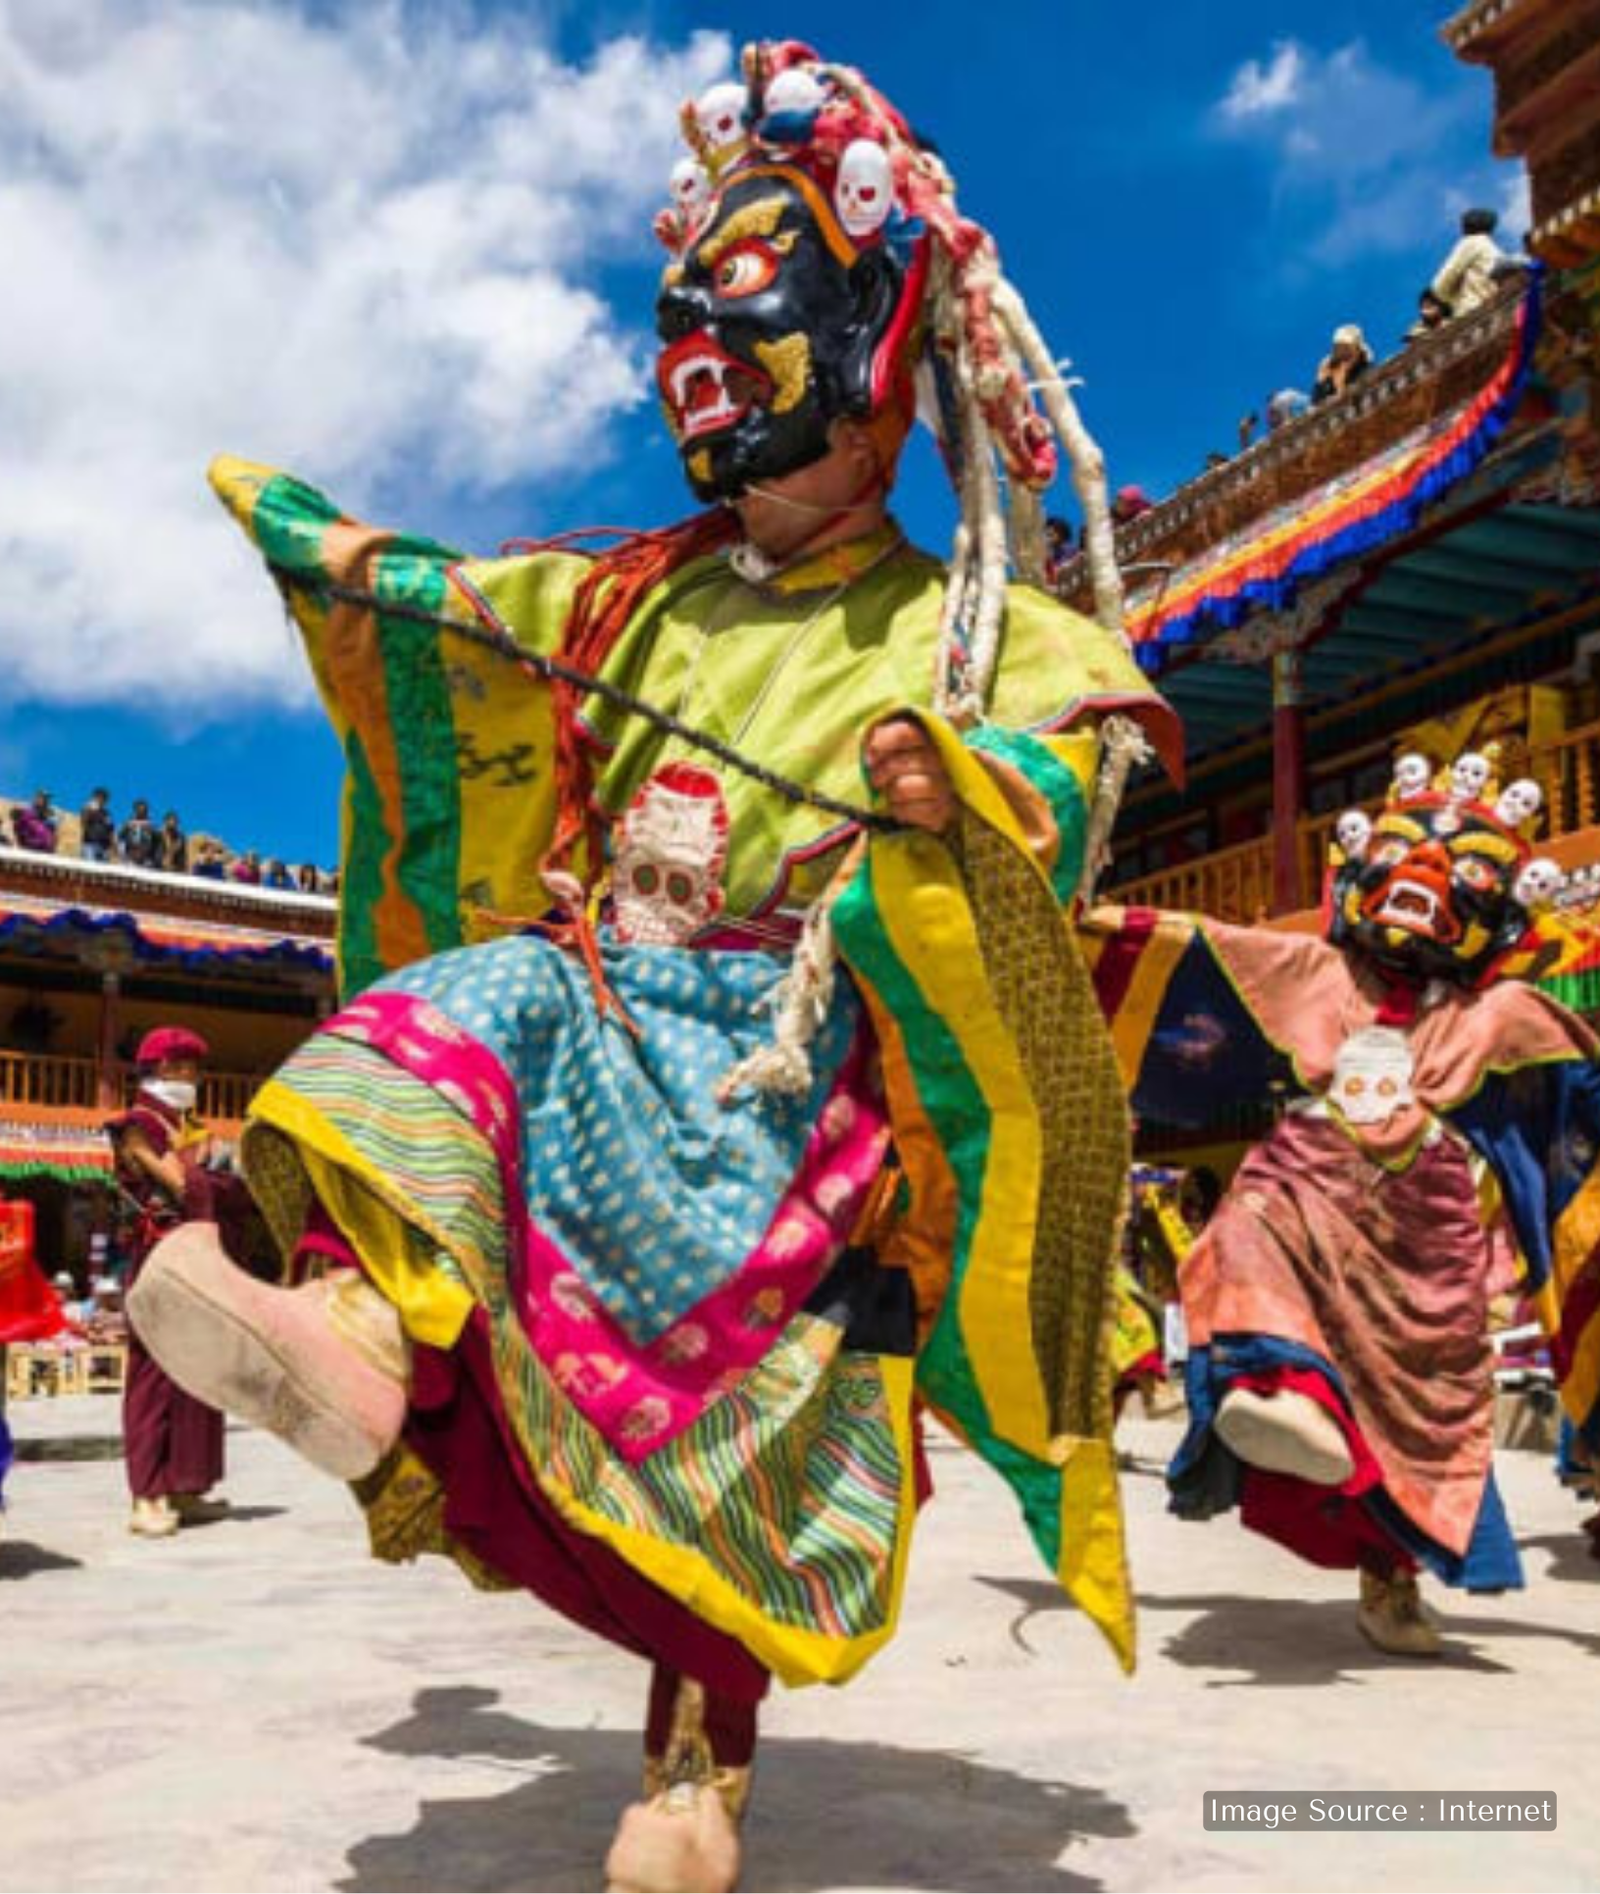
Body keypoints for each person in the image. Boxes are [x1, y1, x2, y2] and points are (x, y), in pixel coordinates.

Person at [129, 40, 1179, 1890]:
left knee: (746, 1451)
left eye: (757, 284)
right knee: (490, 996)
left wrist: (964, 789)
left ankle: (699, 1756)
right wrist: (339, 551)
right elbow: (463, 611)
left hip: (797, 1081)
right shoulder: (633, 592)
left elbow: (1074, 757)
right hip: (605, 1005)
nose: (700, 321)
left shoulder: (972, 626)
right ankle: (361, 1325)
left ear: (879, 346)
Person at [1085, 753, 1600, 1657]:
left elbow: (1577, 1119)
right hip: (1307, 1175)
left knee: (1417, 1405)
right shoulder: (1312, 973)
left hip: (1420, 1239)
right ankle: (1270, 1389)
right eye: (1405, 855)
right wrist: (1038, 928)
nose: (1427, 879)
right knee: (1241, 1233)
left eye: (1466, 873)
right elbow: (1179, 952)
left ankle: (1390, 1581)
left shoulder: (1505, 1016)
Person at [107, 1028, 236, 1538]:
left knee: (195, 1373)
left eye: (195, 1069)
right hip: (158, 1261)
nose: (194, 1078)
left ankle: (185, 1485)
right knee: (155, 1376)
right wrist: (215, 1174)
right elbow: (181, 1183)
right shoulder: (137, 1125)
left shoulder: (187, 1126)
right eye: (185, 1068)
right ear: (160, 1069)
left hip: (195, 1259)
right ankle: (146, 1496)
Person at [1430, 207, 1509, 320]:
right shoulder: (1495, 250)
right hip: (1494, 311)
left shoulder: (1471, 242)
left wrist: (1451, 298)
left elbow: (1440, 285)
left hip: (1471, 311)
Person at [1312, 324, 1372, 404]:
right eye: (1339, 349)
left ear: (1358, 351)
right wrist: (1321, 382)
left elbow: (1361, 403)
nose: (1344, 355)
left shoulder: (1367, 371)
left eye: (1347, 348)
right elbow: (1315, 406)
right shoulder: (1332, 374)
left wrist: (1340, 386)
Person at [118, 799, 159, 868]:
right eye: (139, 809)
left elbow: (156, 842)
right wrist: (122, 855)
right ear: (135, 810)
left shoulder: (151, 825)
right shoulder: (128, 823)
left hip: (145, 858)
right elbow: (120, 837)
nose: (142, 811)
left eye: (144, 810)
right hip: (131, 856)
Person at [79, 788, 115, 862]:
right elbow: (83, 822)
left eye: (104, 798)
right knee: (89, 868)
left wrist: (112, 847)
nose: (101, 800)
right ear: (94, 797)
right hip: (90, 844)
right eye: (99, 797)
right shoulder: (87, 808)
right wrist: (90, 809)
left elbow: (111, 831)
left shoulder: (107, 814)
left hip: (104, 847)